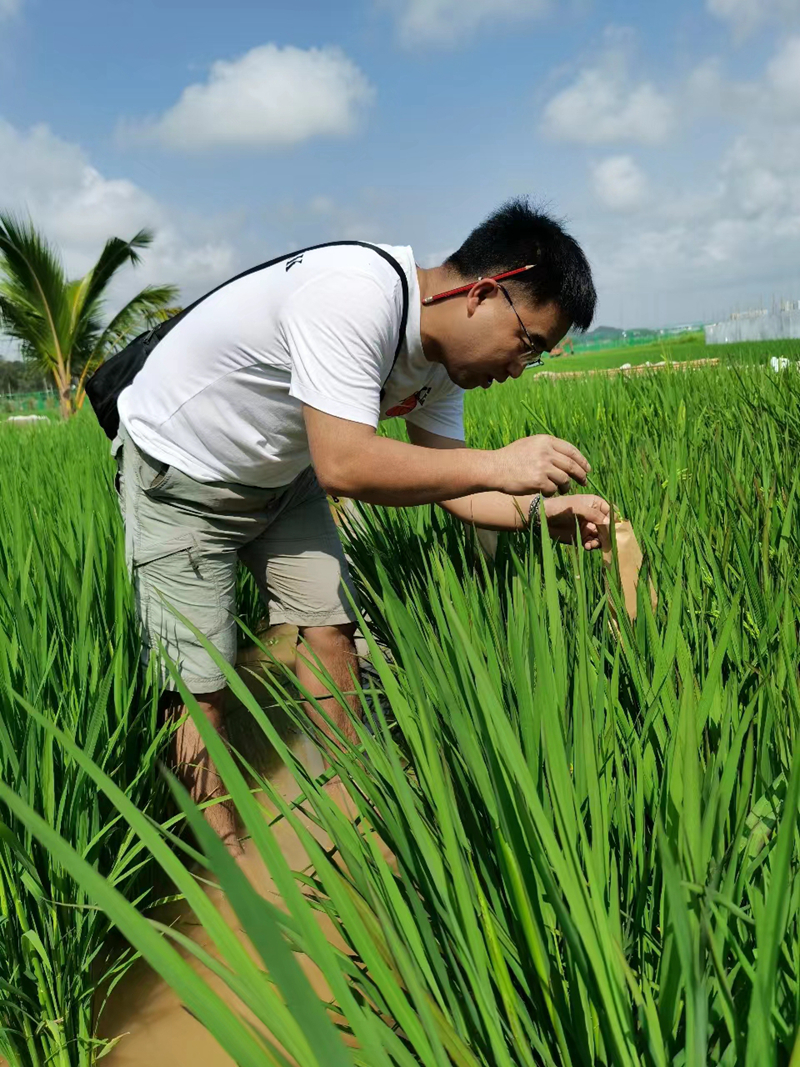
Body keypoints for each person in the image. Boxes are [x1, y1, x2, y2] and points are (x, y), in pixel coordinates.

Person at [113, 197, 610, 854]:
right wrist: (499, 460)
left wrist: (544, 514)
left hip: (284, 476)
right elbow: (347, 463)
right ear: (483, 293)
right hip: (181, 474)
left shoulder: (445, 364)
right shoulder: (354, 297)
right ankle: (228, 872)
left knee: (331, 634)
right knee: (199, 684)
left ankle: (355, 810)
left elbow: (456, 485)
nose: (519, 368)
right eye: (528, 345)